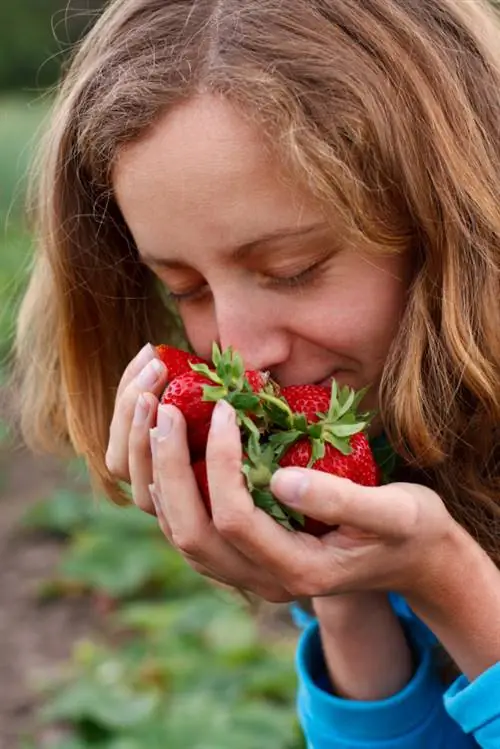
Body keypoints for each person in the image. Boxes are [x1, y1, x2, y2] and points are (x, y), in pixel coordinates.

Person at [11, 0, 500, 746]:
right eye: (186, 289)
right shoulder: (369, 439)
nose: (239, 352)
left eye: (291, 269)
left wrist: (454, 583)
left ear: (449, 221)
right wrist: (342, 589)